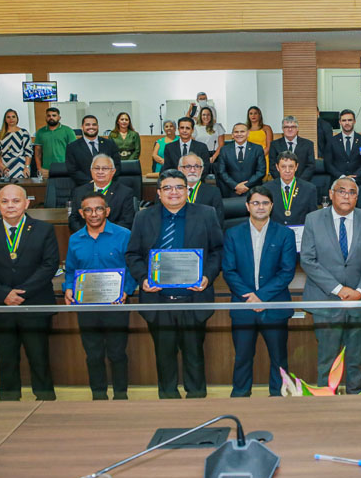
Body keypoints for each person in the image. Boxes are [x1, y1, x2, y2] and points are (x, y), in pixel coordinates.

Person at [125, 169, 223, 399]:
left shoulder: (206, 214)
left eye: (179, 187)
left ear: (187, 190)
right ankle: (167, 401)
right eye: (167, 188)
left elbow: (218, 251)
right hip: (158, 301)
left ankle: (197, 400)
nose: (174, 192)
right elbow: (132, 254)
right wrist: (143, 279)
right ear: (158, 192)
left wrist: (208, 276)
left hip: (193, 299)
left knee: (194, 356)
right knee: (164, 356)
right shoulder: (143, 217)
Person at [0, 184, 58, 401]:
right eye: (5, 201)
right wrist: (4, 294)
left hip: (35, 305)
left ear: (26, 203)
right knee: (6, 361)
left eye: (16, 201)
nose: (10, 205)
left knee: (39, 359)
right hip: (0, 308)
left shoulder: (44, 229)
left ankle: (46, 403)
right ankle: (9, 406)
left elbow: (49, 266)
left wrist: (22, 293)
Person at [300, 177, 361, 393]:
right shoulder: (313, 219)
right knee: (327, 359)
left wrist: (360, 291)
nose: (347, 196)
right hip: (326, 300)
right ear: (331, 194)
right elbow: (308, 260)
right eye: (342, 191)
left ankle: (355, 402)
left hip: (359, 300)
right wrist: (339, 289)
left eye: (352, 192)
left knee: (356, 358)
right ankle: (326, 404)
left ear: (357, 196)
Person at [222, 186, 298, 397]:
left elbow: (286, 271)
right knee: (242, 358)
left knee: (279, 359)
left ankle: (279, 397)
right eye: (256, 203)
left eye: (265, 203)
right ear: (247, 206)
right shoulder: (232, 234)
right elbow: (229, 270)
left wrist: (261, 296)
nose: (260, 207)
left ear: (272, 206)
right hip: (243, 306)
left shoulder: (285, 234)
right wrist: (250, 297)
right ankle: (240, 397)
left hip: (273, 306)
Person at [63, 192, 136, 400]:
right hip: (86, 306)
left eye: (98, 209)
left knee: (117, 353)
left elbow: (133, 267)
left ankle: (121, 395)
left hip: (116, 304)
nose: (94, 214)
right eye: (88, 210)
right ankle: (98, 395)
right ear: (81, 213)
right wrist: (69, 287)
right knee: (93, 354)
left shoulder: (124, 235)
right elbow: (70, 269)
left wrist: (126, 290)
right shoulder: (75, 239)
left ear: (107, 211)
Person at [67, 154, 135, 232]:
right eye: (96, 168)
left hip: (113, 239)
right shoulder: (79, 191)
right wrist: (87, 234)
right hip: (85, 239)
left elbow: (126, 222)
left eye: (105, 168)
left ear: (113, 171)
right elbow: (73, 219)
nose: (100, 172)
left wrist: (104, 235)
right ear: (91, 170)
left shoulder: (125, 192)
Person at [264, 151, 318, 226]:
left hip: (301, 234)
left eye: (291, 167)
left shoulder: (309, 189)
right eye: (283, 167)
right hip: (276, 233)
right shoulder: (267, 189)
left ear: (296, 167)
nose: (287, 170)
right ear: (277, 167)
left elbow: (313, 217)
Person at [65, 115, 121, 185]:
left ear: (98, 126)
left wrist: (105, 180)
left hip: (108, 186)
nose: (91, 127)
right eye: (87, 125)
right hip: (84, 187)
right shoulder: (72, 147)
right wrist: (91, 182)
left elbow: (117, 166)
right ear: (82, 127)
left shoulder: (110, 144)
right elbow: (72, 170)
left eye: (94, 125)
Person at [216, 122, 266, 197]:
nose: (239, 134)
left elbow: (261, 171)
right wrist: (236, 186)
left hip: (252, 191)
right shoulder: (224, 150)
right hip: (230, 191)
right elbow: (221, 171)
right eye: (236, 132)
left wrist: (246, 185)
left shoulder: (257, 149)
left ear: (248, 133)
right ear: (232, 135)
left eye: (242, 131)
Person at [324, 109, 361, 183]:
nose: (347, 123)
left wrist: (354, 177)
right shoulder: (331, 141)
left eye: (350, 120)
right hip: (338, 181)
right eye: (344, 120)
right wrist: (342, 177)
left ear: (354, 121)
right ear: (340, 122)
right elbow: (328, 163)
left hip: (358, 181)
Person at [269, 116, 316, 182]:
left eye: (293, 127)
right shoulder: (274, 145)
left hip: (303, 183)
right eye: (286, 127)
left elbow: (311, 166)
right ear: (282, 129)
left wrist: (299, 182)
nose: (290, 129)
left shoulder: (308, 144)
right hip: (281, 184)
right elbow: (272, 166)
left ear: (297, 129)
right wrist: (283, 181)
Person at [34, 106, 76, 177]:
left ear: (59, 117)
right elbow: (37, 152)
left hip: (64, 168)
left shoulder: (68, 131)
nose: (51, 118)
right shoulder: (40, 132)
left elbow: (74, 151)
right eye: (48, 116)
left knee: (64, 187)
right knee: (47, 188)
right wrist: (39, 168)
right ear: (45, 118)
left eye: (54, 115)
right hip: (46, 169)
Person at [0, 109, 33, 180]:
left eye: (13, 117)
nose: (11, 119)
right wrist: (1, 165)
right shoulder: (0, 133)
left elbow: (29, 152)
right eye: (8, 117)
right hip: (5, 165)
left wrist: (27, 167)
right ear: (5, 119)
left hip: (20, 164)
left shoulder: (24, 132)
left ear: (17, 118)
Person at [246, 106, 273, 178]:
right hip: (249, 158)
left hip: (264, 156)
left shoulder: (266, 128)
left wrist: (259, 157)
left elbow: (269, 146)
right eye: (251, 114)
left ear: (259, 115)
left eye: (255, 113)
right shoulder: (245, 129)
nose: (253, 115)